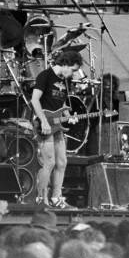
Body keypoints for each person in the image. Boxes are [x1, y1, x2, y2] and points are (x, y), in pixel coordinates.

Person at [31, 50, 82, 208]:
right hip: (44, 124)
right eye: (73, 70)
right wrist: (43, 120)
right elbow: (35, 100)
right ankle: (41, 198)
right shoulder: (45, 76)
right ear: (65, 64)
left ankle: (56, 198)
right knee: (49, 162)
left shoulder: (66, 82)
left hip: (57, 125)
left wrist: (68, 115)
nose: (73, 74)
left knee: (62, 162)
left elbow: (62, 103)